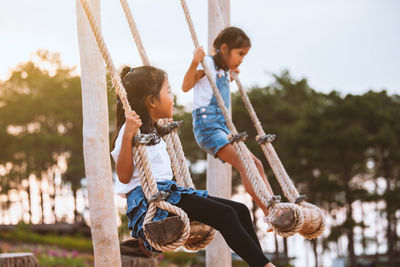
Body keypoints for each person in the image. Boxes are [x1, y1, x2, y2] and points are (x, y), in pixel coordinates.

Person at [111, 65, 275, 267]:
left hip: (169, 194)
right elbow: (123, 176)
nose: (173, 97)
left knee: (240, 209)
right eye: (168, 91)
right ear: (152, 101)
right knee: (226, 215)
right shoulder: (128, 135)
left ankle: (259, 263)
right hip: (152, 203)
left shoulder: (152, 130)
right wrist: (127, 135)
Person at [182, 26, 273, 217]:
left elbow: (214, 87)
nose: (241, 59)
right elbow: (186, 86)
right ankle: (269, 212)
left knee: (256, 164)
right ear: (224, 49)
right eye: (239, 53)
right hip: (207, 126)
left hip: (222, 127)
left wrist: (230, 76)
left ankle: (273, 205)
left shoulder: (223, 70)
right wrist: (194, 61)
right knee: (246, 165)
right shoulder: (206, 62)